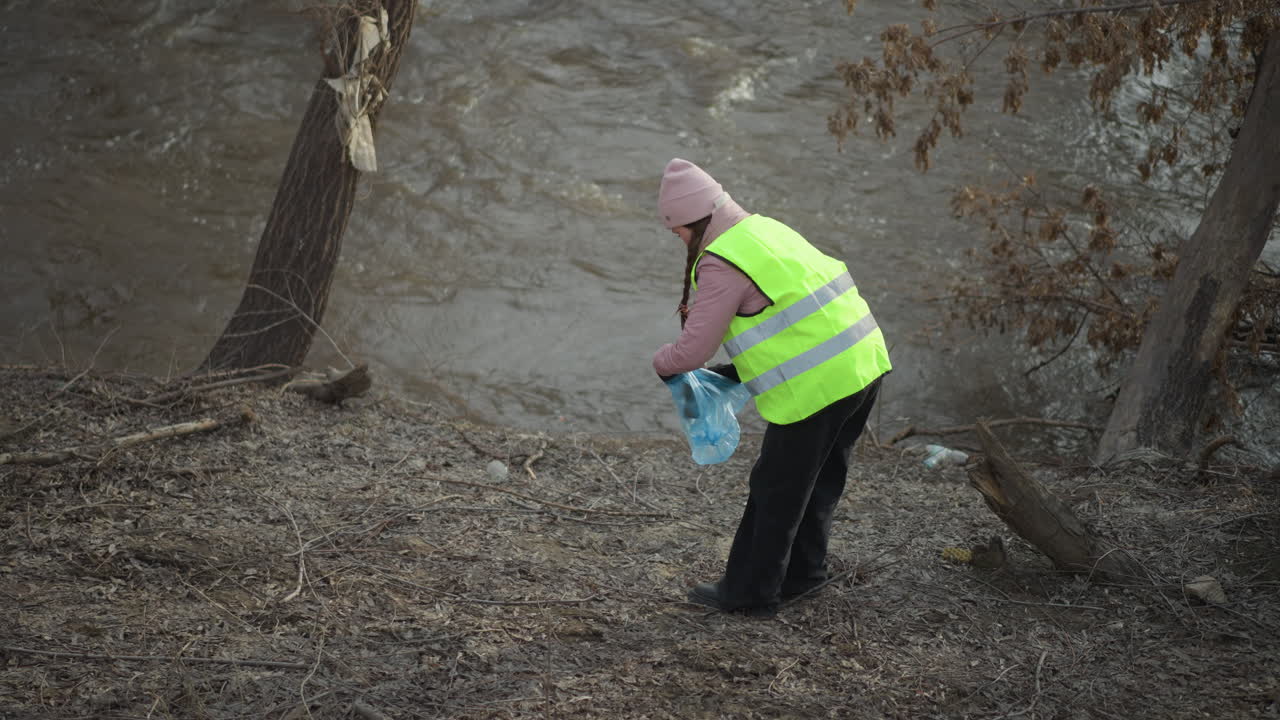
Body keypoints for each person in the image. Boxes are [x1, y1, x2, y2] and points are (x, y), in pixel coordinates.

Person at [651, 158, 892, 617]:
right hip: (864, 360)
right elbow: (789, 316)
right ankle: (805, 575)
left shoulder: (722, 261)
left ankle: (748, 594)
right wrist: (736, 370)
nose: (679, 239)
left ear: (694, 221)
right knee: (821, 479)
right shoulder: (765, 230)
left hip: (819, 385)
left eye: (678, 230)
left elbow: (691, 351)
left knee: (776, 488)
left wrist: (660, 363)